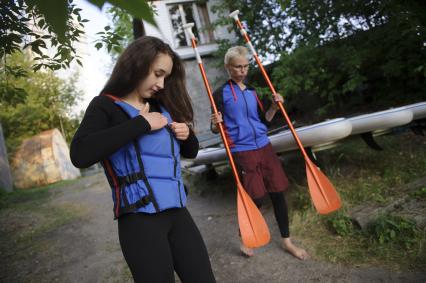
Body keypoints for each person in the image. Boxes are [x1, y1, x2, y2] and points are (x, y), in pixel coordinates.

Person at [70, 36, 216, 283]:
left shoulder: (160, 105)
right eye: (158, 73)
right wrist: (141, 123)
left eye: (166, 77)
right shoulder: (104, 106)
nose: (161, 83)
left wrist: (187, 134)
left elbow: (190, 151)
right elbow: (80, 154)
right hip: (139, 222)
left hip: (179, 214)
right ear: (138, 63)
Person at [210, 46, 309, 260]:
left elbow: (264, 120)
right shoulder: (219, 94)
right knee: (255, 196)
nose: (243, 70)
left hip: (264, 146)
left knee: (277, 192)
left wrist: (274, 106)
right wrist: (215, 124)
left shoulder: (253, 92)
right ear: (228, 67)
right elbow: (216, 127)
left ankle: (287, 241)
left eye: (246, 66)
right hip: (242, 150)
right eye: (238, 67)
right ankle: (245, 235)